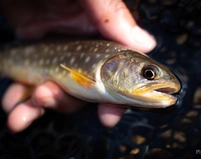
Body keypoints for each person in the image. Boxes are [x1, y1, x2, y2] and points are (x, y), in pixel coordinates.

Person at [0, 0, 156, 132]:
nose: (150, 77)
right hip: (16, 54)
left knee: (42, 96)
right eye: (148, 74)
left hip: (23, 48)